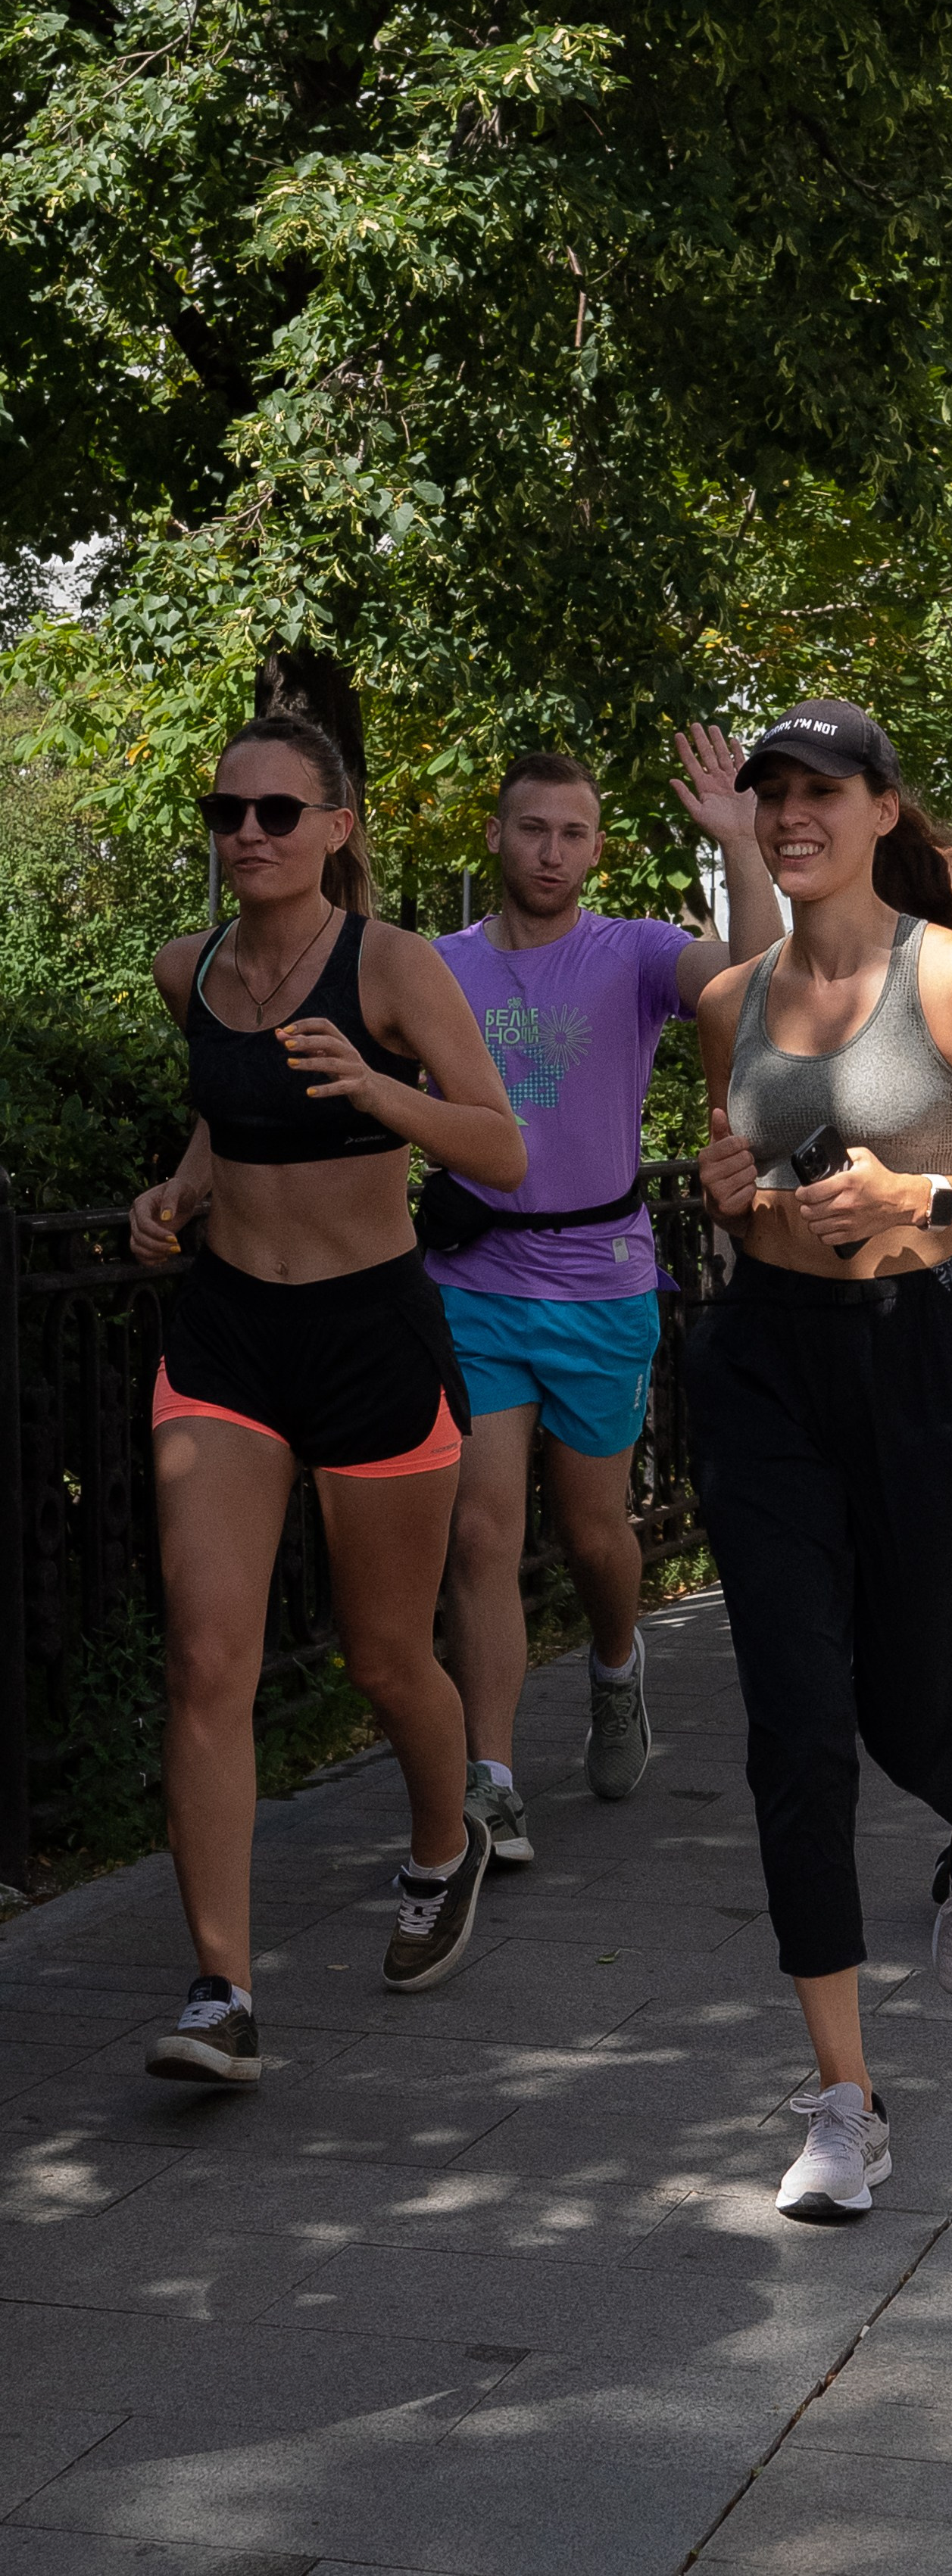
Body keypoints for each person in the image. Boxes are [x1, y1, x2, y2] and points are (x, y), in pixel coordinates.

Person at [688, 700, 952, 2223]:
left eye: (819, 792)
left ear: (876, 810)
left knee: (908, 1711)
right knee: (794, 1723)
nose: (791, 815)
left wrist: (918, 1186)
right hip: (769, 1371)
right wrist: (734, 1195)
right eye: (771, 794)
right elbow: (741, 1202)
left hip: (924, 1362)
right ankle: (844, 2100)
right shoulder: (733, 998)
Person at [130, 716, 529, 2086]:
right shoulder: (190, 971)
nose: (249, 831)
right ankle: (220, 1990)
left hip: (371, 1336)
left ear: (337, 827)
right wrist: (179, 1192)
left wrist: (378, 1088)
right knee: (207, 1658)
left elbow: (501, 1142)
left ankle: (442, 1841)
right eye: (227, 808)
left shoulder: (394, 967)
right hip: (229, 1339)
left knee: (383, 1659)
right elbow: (227, 1115)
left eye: (279, 812)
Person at [425, 733, 782, 1858]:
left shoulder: (633, 953)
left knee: (591, 1534)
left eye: (573, 833)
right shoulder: (432, 966)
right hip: (469, 1280)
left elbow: (763, 983)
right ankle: (491, 1782)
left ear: (596, 849)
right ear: (495, 834)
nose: (550, 850)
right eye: (531, 828)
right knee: (480, 1533)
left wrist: (740, 846)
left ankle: (616, 1664)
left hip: (599, 1281)